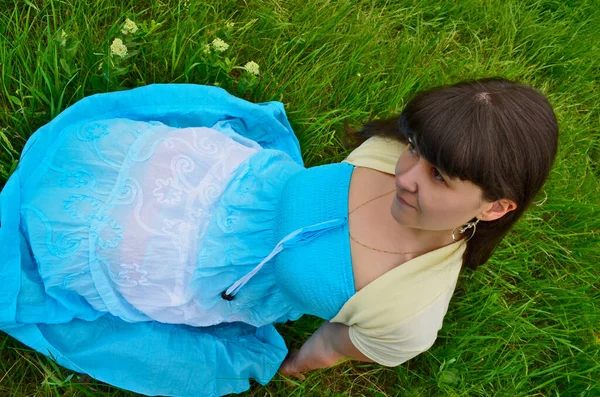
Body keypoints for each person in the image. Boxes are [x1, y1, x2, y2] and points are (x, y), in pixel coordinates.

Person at [0, 79, 558, 396]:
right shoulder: (394, 156)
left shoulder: (406, 313)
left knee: (87, 238)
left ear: (496, 207)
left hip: (216, 274)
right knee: (92, 164)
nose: (407, 176)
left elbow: (333, 346)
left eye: (439, 177)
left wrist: (295, 367)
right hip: (231, 182)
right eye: (416, 148)